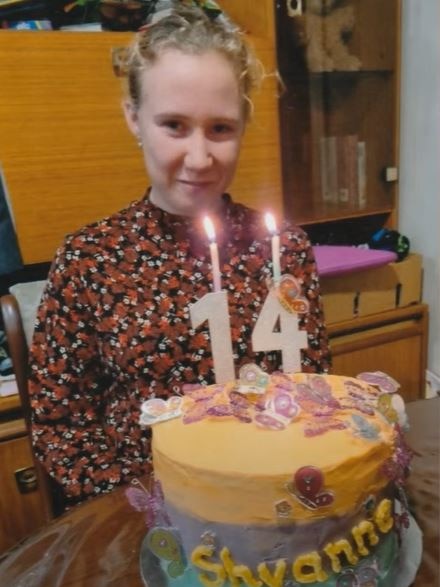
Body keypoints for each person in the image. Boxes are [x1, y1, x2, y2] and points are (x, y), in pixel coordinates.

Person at [29, 1, 331, 510]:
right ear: (134, 118)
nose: (199, 157)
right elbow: (61, 422)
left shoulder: (283, 250)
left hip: (279, 502)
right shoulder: (90, 260)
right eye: (174, 125)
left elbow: (316, 389)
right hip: (149, 513)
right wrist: (147, 505)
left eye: (220, 128)